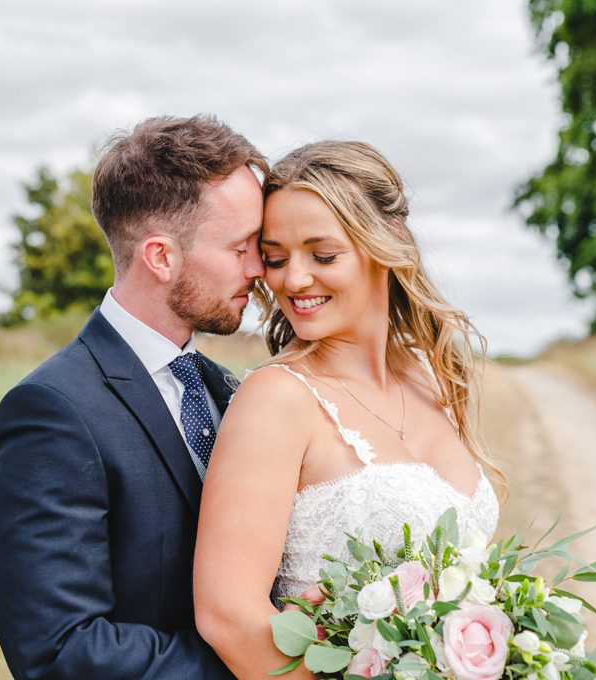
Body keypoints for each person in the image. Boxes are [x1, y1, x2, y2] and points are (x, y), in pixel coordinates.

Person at [192, 140, 504, 678]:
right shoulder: (277, 399)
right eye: (276, 258)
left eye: (323, 255)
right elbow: (228, 618)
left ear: (387, 244)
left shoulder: (430, 375)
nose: (294, 280)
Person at [0, 114, 266, 679]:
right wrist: (262, 658)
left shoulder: (226, 388)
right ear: (161, 257)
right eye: (240, 248)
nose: (259, 269)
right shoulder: (51, 412)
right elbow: (59, 651)